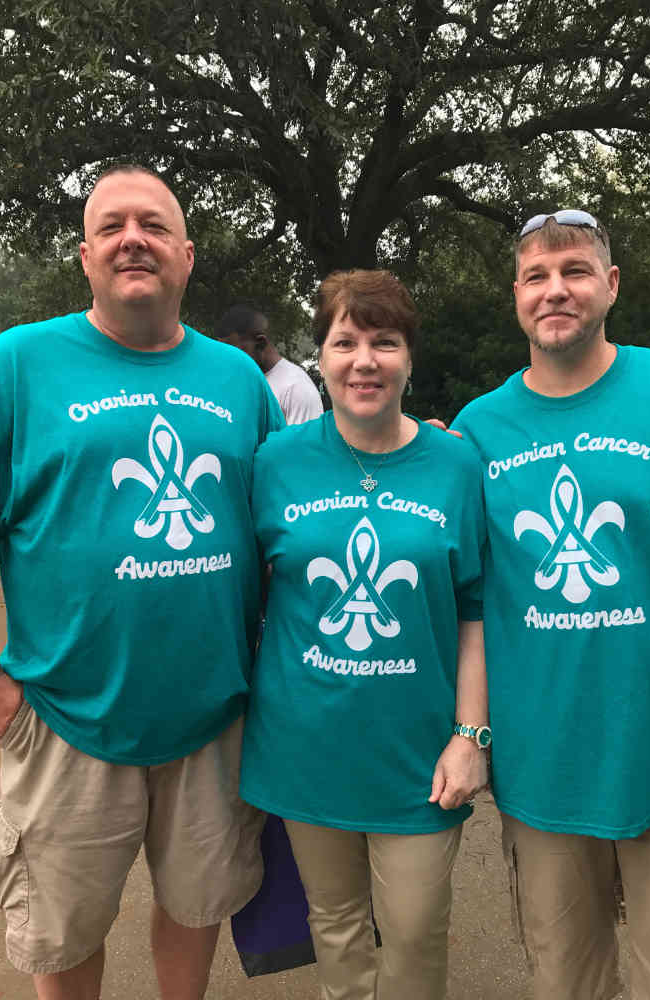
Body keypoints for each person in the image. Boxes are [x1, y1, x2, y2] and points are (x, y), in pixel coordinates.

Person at [0, 165, 284, 1000]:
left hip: (213, 713)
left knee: (195, 905)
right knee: (63, 932)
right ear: (84, 257)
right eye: (110, 227)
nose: (132, 240)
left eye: (152, 225)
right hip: (65, 715)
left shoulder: (239, 381)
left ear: (187, 255)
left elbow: (285, 530)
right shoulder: (15, 366)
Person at [451, 210, 650, 1000]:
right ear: (516, 296)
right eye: (535, 276)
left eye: (574, 270)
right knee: (566, 982)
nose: (555, 290)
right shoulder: (477, 432)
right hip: (546, 768)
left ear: (611, 284)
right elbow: (462, 597)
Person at [239, 268, 489, 1000]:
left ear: (410, 357)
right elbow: (242, 587)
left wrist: (470, 736)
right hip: (304, 744)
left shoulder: (457, 462)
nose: (364, 361)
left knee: (414, 931)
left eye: (385, 342)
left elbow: (474, 607)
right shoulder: (276, 461)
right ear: (319, 356)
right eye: (345, 342)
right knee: (336, 925)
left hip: (418, 755)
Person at [215, 303, 323, 424]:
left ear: (260, 343)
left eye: (233, 352)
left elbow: (308, 437)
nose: (228, 360)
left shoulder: (296, 388)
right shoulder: (239, 380)